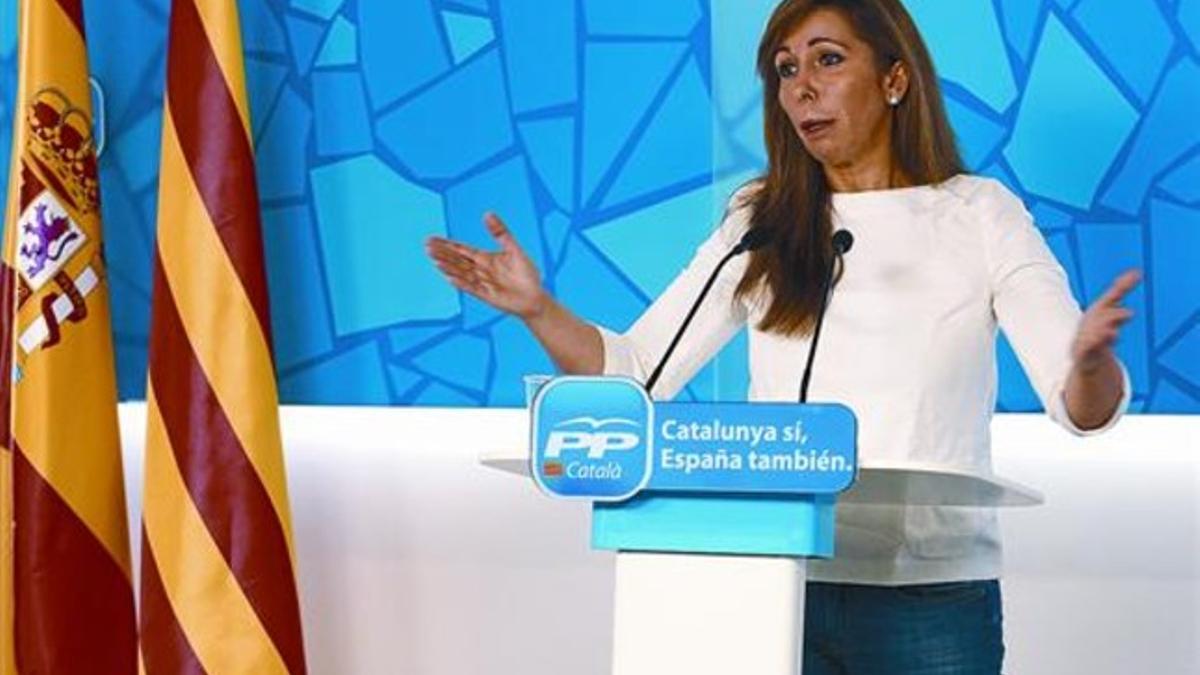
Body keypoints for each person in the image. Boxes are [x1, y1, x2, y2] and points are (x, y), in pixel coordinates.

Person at [426, 0, 1138, 672]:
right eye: (786, 70)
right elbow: (636, 371)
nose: (802, 89)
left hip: (928, 595)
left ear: (895, 78)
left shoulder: (978, 214)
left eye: (827, 60)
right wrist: (536, 308)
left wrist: (1089, 361)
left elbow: (1077, 401)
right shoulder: (760, 221)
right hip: (775, 578)